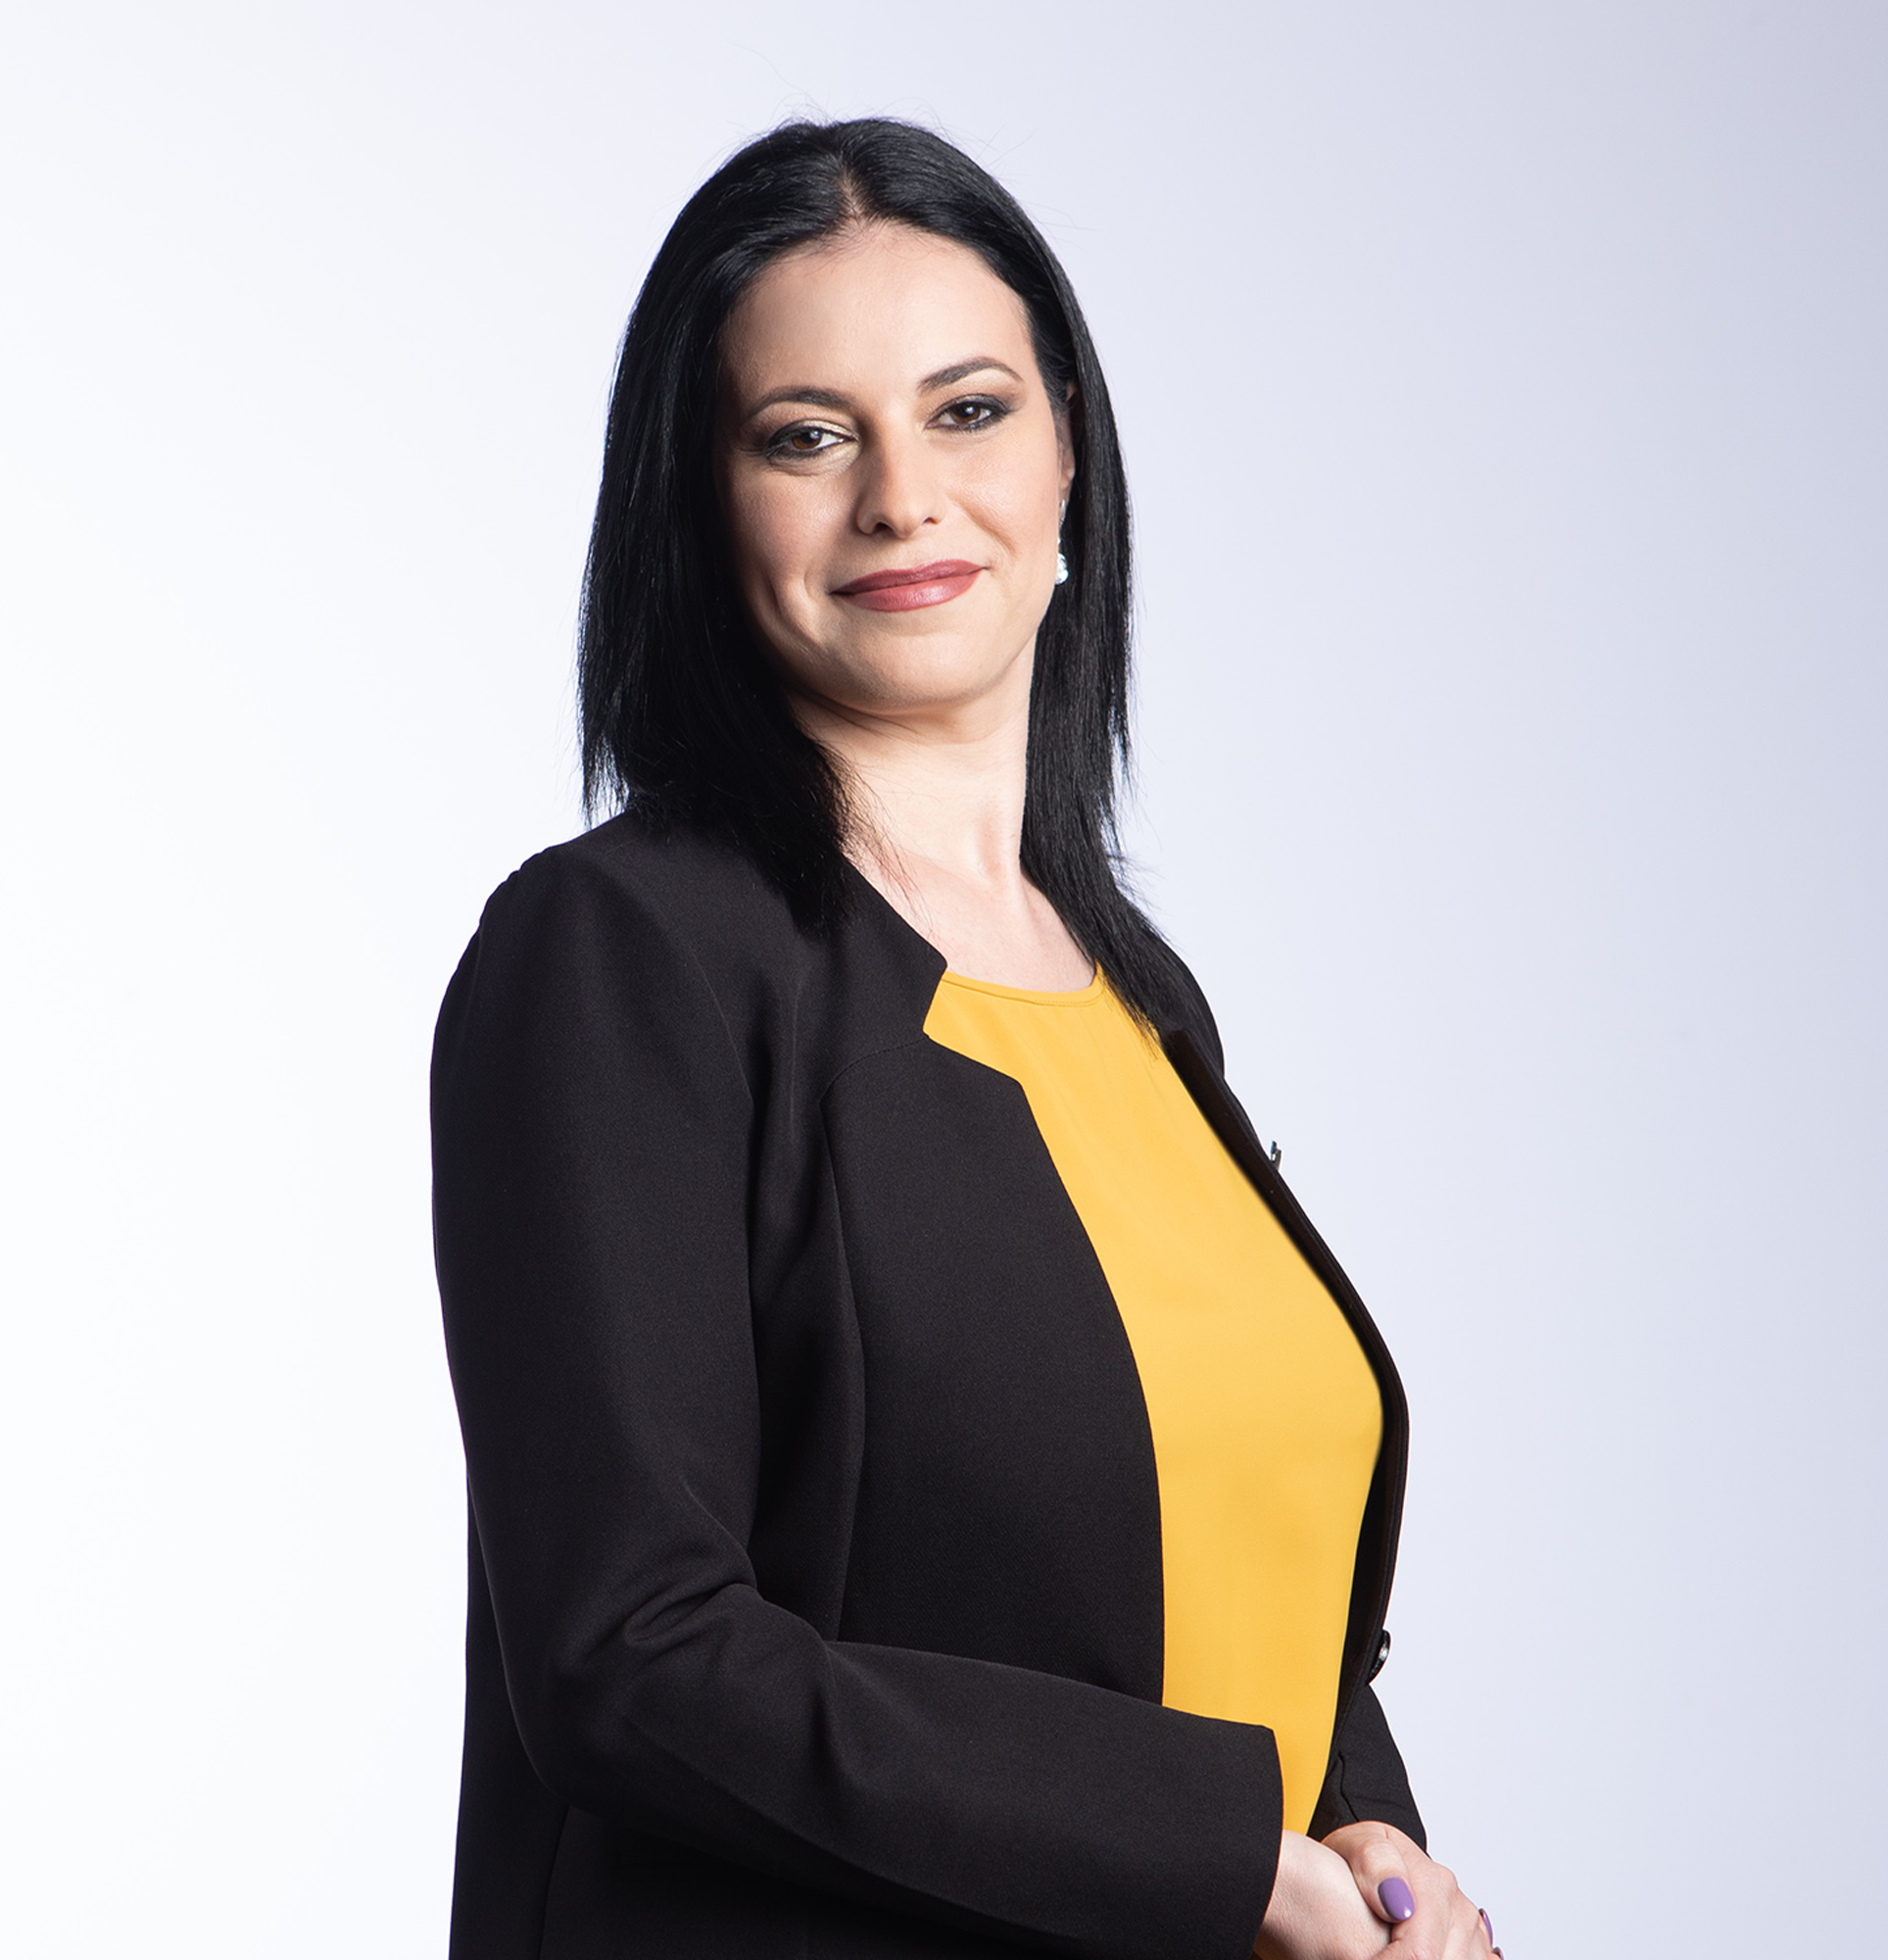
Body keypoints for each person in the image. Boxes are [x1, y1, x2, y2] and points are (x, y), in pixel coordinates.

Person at [432, 118, 1498, 1960]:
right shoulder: (620, 957)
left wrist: (1367, 1834)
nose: (903, 498)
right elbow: (631, 1651)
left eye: (969, 412)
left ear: (1070, 453)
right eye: (807, 435)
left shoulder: (1142, 1008)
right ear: (699, 503)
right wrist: (1231, 1864)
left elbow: (1233, 1574)